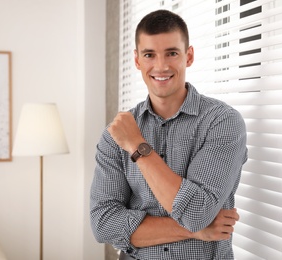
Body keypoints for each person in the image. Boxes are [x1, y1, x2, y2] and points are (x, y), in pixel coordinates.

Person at [90, 9, 248, 260]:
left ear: (189, 56)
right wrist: (197, 231)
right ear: (137, 60)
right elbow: (104, 225)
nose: (161, 66)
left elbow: (196, 212)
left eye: (171, 53)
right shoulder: (115, 135)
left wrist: (137, 144)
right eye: (149, 54)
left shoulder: (222, 122)